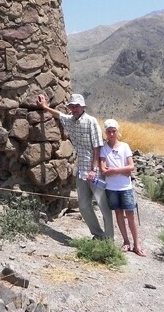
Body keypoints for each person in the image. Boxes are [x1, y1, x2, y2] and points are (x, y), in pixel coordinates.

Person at [37, 93, 114, 240]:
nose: (74, 109)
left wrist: (94, 169)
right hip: (81, 170)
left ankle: (109, 239)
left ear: (83, 107)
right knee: (84, 206)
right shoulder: (70, 120)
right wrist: (45, 107)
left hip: (94, 171)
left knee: (103, 205)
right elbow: (59, 115)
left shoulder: (91, 122)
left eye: (77, 106)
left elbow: (97, 147)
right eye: (72, 106)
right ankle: (98, 235)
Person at [99, 118, 146, 256]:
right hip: (111, 187)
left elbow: (131, 167)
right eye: (109, 132)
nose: (111, 134)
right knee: (118, 213)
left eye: (114, 131)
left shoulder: (125, 146)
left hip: (125, 187)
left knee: (130, 214)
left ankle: (137, 244)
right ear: (106, 133)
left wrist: (113, 170)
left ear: (117, 131)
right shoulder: (104, 149)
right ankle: (126, 241)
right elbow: (103, 169)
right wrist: (122, 170)